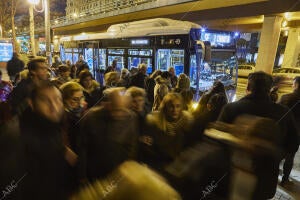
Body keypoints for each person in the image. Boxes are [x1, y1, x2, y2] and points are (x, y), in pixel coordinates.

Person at [218, 71, 299, 199]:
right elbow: (293, 144)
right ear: (269, 90)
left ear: (248, 87)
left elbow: (218, 143)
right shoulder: (283, 113)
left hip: (231, 179)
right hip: (265, 182)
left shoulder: (231, 109)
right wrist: (275, 156)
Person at [19, 81, 78, 200]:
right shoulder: (20, 138)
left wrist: (63, 151)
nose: (54, 107)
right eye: (45, 101)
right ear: (31, 103)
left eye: (57, 100)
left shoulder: (50, 125)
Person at [78, 87, 139, 181]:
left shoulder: (131, 118)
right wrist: (82, 175)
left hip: (118, 173)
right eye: (117, 110)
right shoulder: (91, 117)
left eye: (124, 111)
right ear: (108, 104)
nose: (120, 115)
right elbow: (82, 148)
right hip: (94, 174)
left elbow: (131, 147)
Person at [141, 93, 194, 172]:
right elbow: (149, 151)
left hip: (178, 169)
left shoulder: (186, 124)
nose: (174, 110)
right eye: (171, 106)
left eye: (178, 106)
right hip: (158, 168)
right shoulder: (154, 123)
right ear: (165, 107)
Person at [279, 76, 300, 185]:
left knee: (278, 153)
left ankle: (273, 174)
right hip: (297, 134)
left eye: (293, 83)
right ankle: (285, 179)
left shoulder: (286, 97)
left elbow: (277, 113)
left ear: (296, 85)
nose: (292, 85)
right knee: (290, 156)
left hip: (284, 131)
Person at [60, 82, 87, 153]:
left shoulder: (84, 111)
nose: (79, 102)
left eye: (81, 98)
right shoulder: (62, 117)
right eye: (75, 99)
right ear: (65, 100)